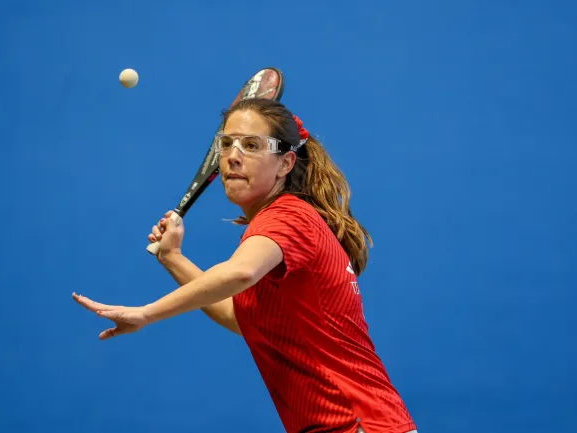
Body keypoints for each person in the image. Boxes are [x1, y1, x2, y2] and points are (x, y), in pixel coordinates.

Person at [73, 98, 418, 433]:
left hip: (357, 423)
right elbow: (243, 319)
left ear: (285, 163)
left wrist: (146, 313)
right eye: (227, 144)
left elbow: (240, 273)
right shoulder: (281, 224)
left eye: (252, 145)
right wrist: (173, 258)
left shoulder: (288, 217)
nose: (233, 157)